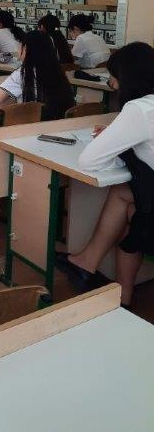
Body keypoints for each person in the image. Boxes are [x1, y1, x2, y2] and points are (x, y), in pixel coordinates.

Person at [57, 43, 154, 308]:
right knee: (123, 193)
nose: (111, 82)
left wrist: (114, 142)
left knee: (132, 219)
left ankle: (113, 292)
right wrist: (118, 137)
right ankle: (89, 264)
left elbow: (89, 161)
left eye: (114, 76)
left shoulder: (140, 108)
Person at [0, 30, 74, 120]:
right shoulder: (58, 72)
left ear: (25, 48)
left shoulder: (24, 73)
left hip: (31, 124)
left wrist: (15, 100)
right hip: (59, 124)